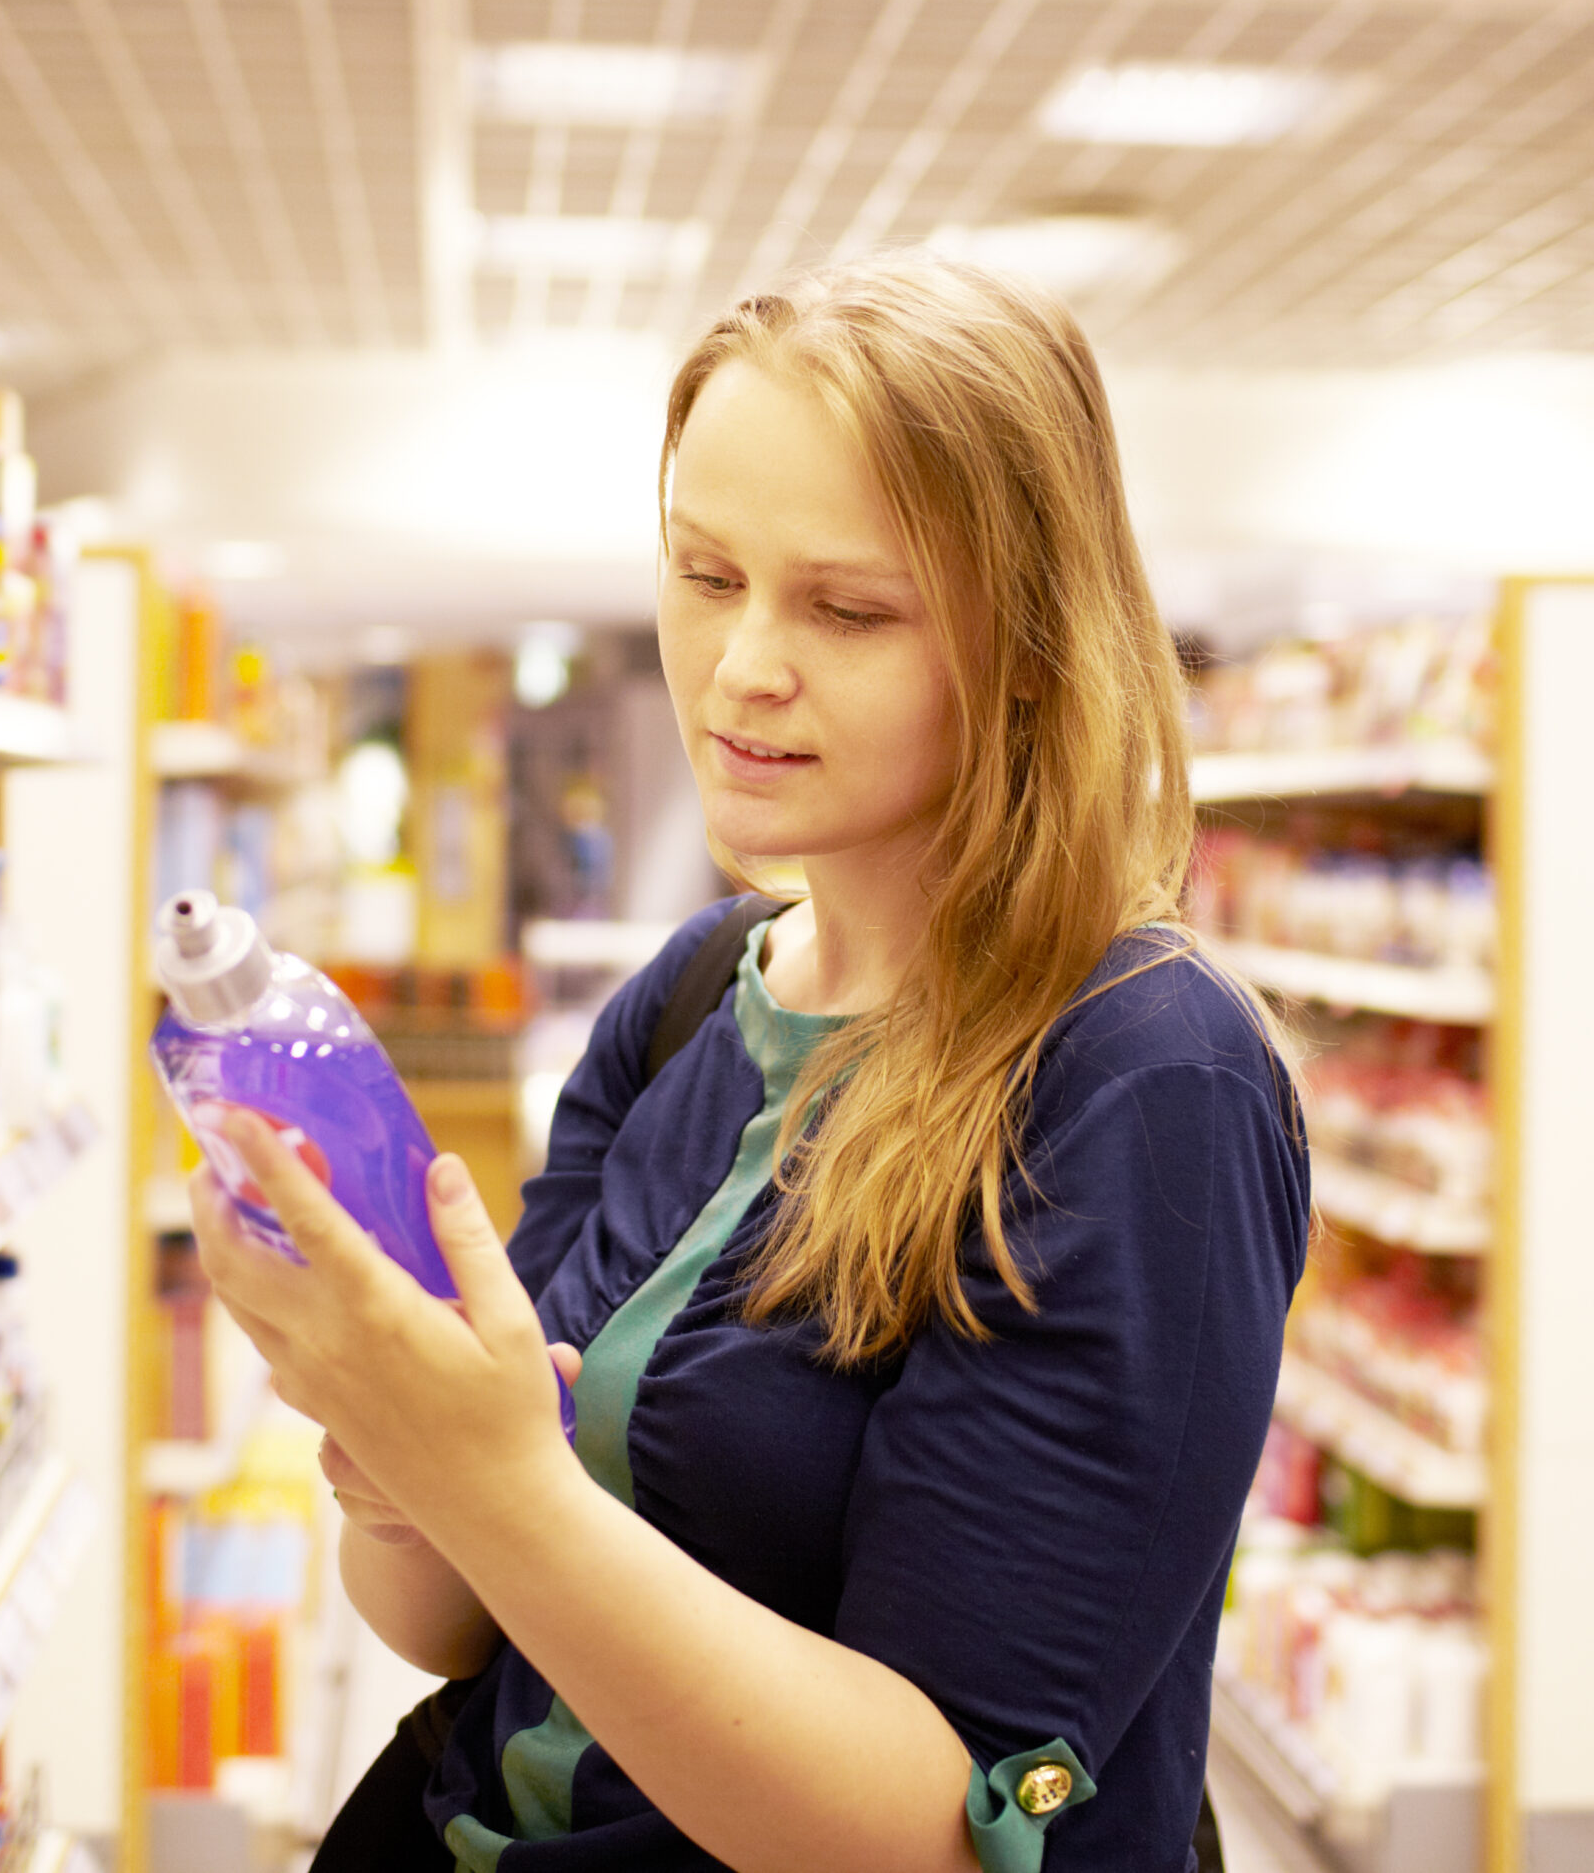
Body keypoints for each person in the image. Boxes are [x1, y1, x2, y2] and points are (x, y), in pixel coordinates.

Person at [189, 248, 1308, 1873]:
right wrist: (399, 1461)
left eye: (847, 609)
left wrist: (498, 1482)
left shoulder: (1142, 1078)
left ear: (1032, 645)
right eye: (706, 574)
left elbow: (940, 1830)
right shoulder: (693, 995)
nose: (740, 666)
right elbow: (450, 1624)